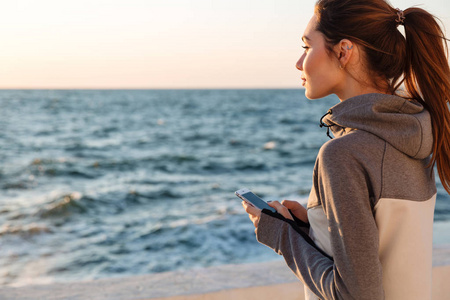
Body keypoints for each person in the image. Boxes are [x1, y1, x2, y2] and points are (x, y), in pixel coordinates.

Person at [242, 0, 450, 299]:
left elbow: (355, 295)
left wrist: (282, 236)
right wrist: (313, 229)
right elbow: (388, 247)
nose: (299, 63)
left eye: (306, 47)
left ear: (343, 51)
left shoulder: (344, 154)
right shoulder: (414, 136)